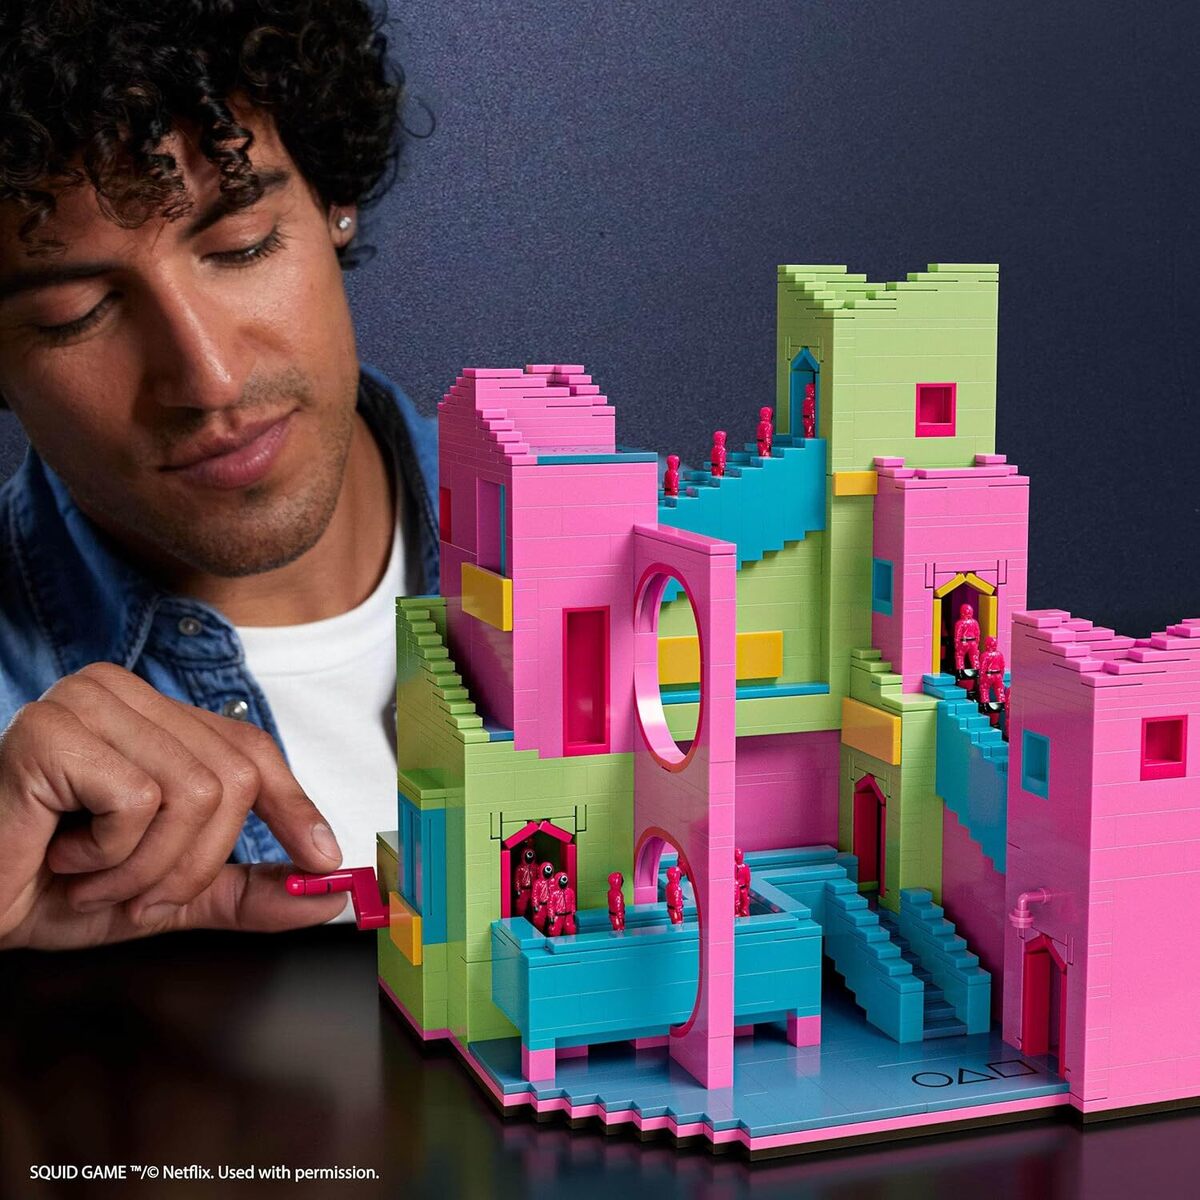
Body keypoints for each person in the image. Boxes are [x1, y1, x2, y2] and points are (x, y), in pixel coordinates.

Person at [0, 0, 438, 949]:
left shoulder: (656, 566)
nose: (209, 378)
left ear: (333, 200)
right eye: (79, 313)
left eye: (242, 246)